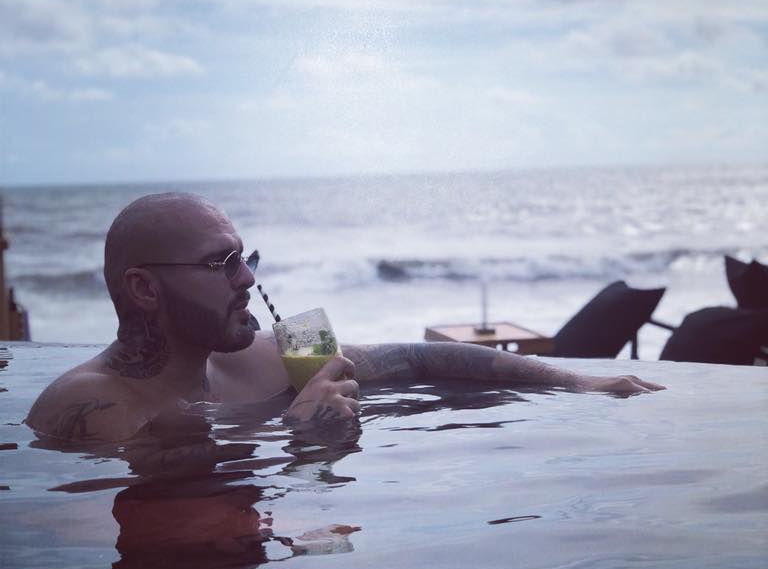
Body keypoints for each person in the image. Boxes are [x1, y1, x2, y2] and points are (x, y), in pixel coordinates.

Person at [26, 192, 664, 443]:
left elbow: (416, 357)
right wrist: (298, 439)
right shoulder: (91, 407)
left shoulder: (273, 350)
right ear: (144, 289)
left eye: (245, 259)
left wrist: (577, 383)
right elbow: (168, 519)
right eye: (221, 264)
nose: (247, 279)